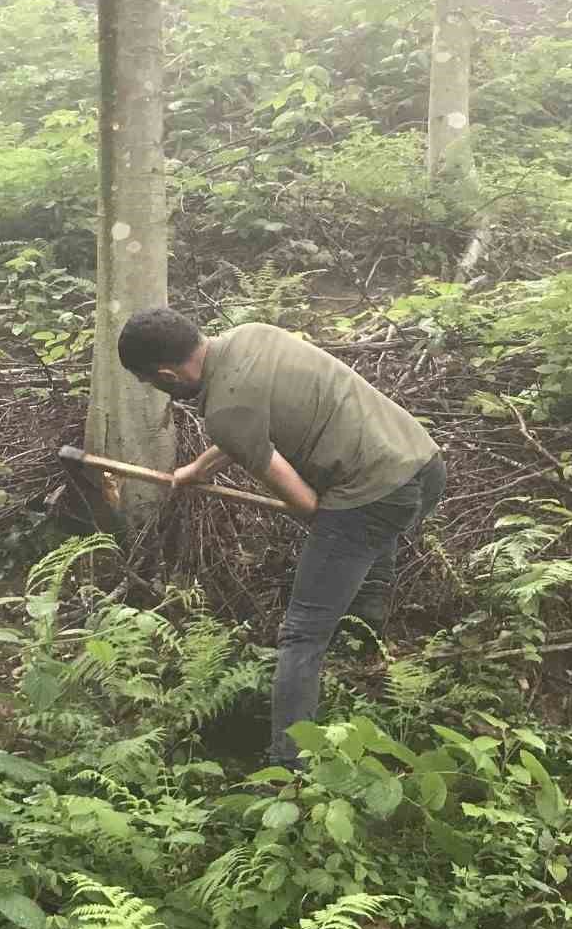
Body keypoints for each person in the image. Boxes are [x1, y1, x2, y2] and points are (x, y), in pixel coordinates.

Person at [117, 308, 446, 770]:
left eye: (153, 384)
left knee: (301, 636)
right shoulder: (252, 335)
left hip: (376, 492)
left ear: (168, 374)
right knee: (374, 538)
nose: (159, 391)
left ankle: (289, 767)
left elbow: (307, 505)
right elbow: (245, 428)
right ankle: (365, 638)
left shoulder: (226, 413)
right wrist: (194, 472)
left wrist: (336, 525)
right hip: (423, 463)